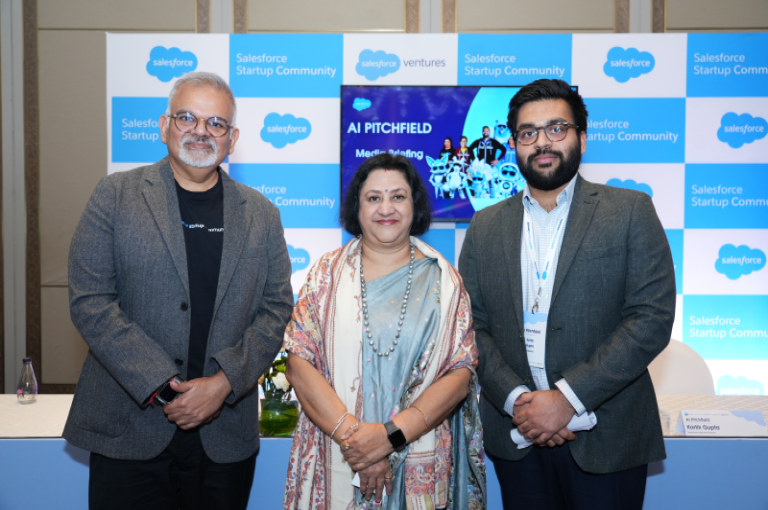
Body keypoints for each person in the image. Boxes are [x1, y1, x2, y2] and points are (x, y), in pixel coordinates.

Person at [64, 71, 294, 510]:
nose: (201, 132)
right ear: (164, 125)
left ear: (232, 138)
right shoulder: (115, 195)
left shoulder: (262, 213)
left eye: (216, 123)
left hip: (223, 436)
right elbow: (91, 301)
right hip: (128, 428)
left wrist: (223, 384)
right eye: (187, 117)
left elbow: (277, 308)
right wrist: (164, 388)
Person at [458, 79, 675, 510]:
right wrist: (521, 402)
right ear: (514, 144)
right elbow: (470, 325)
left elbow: (650, 319)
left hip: (608, 435)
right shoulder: (484, 225)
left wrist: (566, 400)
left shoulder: (630, 210)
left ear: (582, 137)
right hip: (516, 433)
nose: (542, 142)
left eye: (556, 128)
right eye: (528, 132)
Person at [282, 153, 485, 510]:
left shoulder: (445, 282)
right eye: (373, 197)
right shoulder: (324, 276)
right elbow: (299, 363)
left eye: (398, 196)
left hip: (418, 458)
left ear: (415, 205)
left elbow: (460, 373)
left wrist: (390, 437)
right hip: (336, 452)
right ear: (356, 208)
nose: (385, 208)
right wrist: (359, 444)